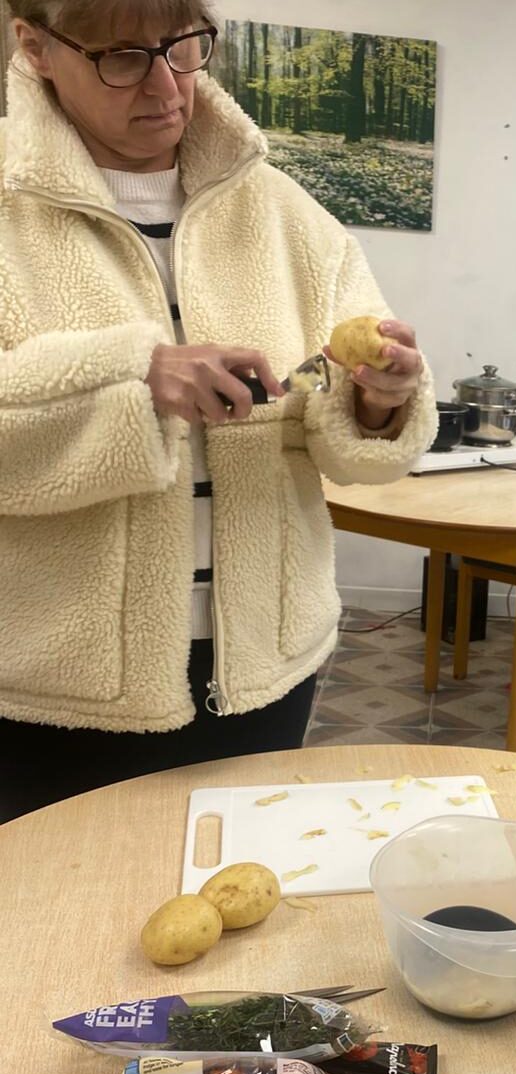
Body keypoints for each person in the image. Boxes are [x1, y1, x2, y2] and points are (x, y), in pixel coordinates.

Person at [0, 0, 437, 819]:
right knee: (51, 931)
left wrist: (379, 400)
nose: (169, 85)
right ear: (36, 46)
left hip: (263, 668)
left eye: (186, 45)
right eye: (123, 57)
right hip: (48, 688)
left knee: (232, 917)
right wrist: (134, 381)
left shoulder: (287, 216)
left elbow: (337, 420)